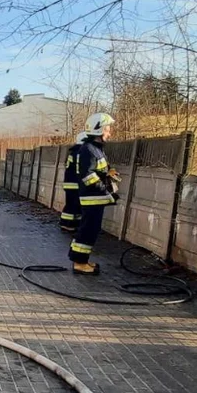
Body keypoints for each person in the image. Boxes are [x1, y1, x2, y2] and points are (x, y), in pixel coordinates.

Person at [69, 113, 119, 275]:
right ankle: (79, 263)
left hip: (96, 198)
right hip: (92, 198)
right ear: (99, 129)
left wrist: (109, 174)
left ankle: (81, 260)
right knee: (88, 230)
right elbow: (88, 176)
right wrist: (104, 190)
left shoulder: (96, 150)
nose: (109, 132)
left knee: (90, 229)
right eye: (107, 129)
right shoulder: (89, 150)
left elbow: (98, 171)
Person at [59, 132, 86, 233]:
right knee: (73, 206)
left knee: (71, 205)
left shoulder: (74, 152)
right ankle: (68, 225)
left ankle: (67, 223)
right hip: (75, 184)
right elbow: (80, 169)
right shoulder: (80, 152)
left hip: (69, 183)